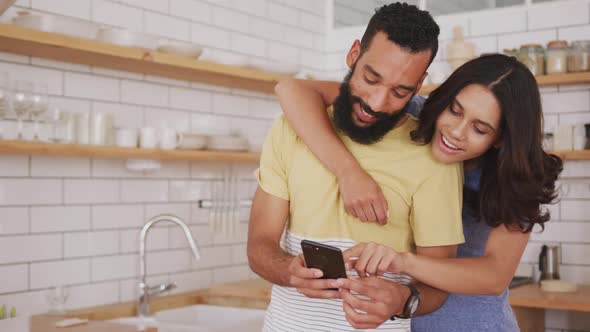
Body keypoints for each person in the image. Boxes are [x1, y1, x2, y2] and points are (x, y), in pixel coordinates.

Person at [274, 54, 563, 331]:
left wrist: (403, 261)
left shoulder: (517, 178)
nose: (456, 131)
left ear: (501, 138)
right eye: (455, 110)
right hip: (402, 322)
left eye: (479, 128)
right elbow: (292, 90)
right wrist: (348, 172)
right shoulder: (408, 113)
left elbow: (495, 276)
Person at [248, 3, 466, 331]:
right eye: (371, 78)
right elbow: (259, 244)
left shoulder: (432, 157)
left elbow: (439, 283)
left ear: (419, 84)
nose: (377, 103)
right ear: (354, 54)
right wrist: (288, 269)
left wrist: (404, 299)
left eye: (400, 91)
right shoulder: (291, 129)